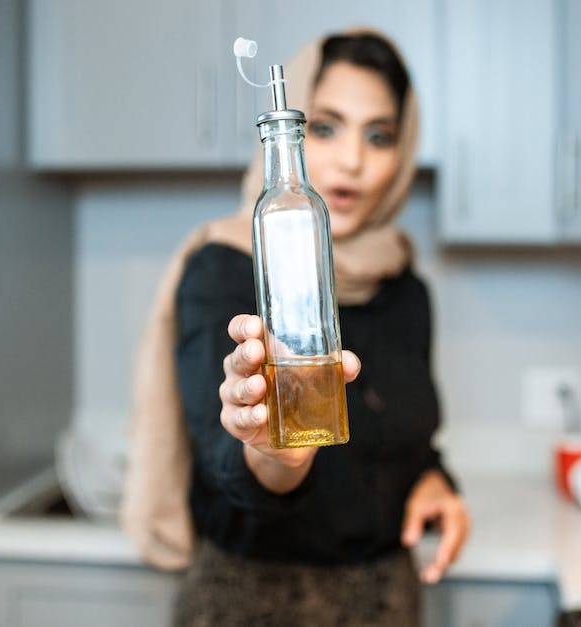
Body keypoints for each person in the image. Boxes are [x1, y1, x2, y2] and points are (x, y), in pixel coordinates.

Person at [121, 29, 470, 626]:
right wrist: (278, 457)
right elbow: (225, 462)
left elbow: (408, 442)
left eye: (380, 135)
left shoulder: (405, 288)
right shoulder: (224, 269)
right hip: (251, 600)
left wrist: (435, 482)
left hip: (389, 599)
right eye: (326, 126)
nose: (354, 161)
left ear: (403, 152)